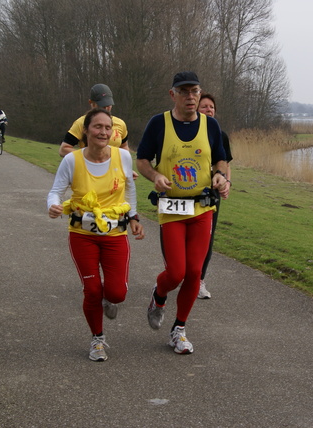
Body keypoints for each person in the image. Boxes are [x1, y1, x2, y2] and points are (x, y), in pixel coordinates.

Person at [136, 71, 229, 354]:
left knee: (194, 272)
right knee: (175, 272)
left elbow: (221, 159)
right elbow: (142, 160)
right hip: (173, 208)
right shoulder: (158, 124)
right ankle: (159, 294)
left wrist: (220, 177)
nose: (190, 96)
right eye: (184, 91)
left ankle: (179, 330)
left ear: (200, 93)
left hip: (201, 208)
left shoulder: (210, 126)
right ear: (172, 94)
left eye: (195, 91)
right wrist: (154, 176)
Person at [47, 108, 144, 362]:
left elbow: (130, 188)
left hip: (115, 234)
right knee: (91, 290)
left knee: (116, 294)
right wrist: (53, 205)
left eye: (107, 127)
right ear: (86, 131)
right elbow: (55, 191)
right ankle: (97, 339)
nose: (103, 132)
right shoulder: (72, 160)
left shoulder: (122, 157)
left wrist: (133, 217)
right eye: (98, 127)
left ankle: (107, 300)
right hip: (82, 234)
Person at [196, 93, 233, 299]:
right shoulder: (188, 132)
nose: (208, 110)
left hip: (212, 192)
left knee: (207, 238)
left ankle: (200, 280)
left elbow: (226, 163)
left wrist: (227, 183)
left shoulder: (221, 135)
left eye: (211, 107)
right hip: (189, 191)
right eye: (204, 107)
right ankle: (183, 274)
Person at [59, 84, 129, 157]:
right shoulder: (81, 123)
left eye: (108, 105)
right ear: (91, 103)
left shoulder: (120, 124)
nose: (105, 109)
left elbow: (124, 147)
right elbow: (64, 149)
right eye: (102, 105)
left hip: (114, 167)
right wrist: (88, 157)